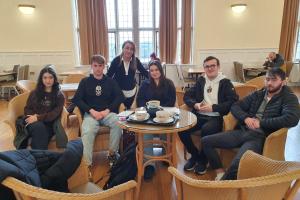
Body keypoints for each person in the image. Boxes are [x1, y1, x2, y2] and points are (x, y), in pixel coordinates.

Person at [202, 68, 300, 181]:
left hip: (260, 136)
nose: (269, 83)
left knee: (237, 164)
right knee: (206, 141)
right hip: (243, 131)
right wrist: (246, 118)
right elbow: (235, 106)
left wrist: (261, 123)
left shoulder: (289, 98)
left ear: (283, 82)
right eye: (267, 79)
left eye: (273, 80)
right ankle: (219, 172)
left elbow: (292, 119)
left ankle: (222, 188)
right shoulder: (258, 94)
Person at [179, 56, 238, 175]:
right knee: (181, 128)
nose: (210, 68)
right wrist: (195, 104)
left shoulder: (225, 82)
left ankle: (203, 160)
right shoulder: (201, 81)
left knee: (207, 129)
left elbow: (232, 102)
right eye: (207, 66)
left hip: (215, 116)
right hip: (199, 115)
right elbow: (187, 96)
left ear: (218, 67)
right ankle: (195, 155)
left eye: (213, 66)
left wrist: (213, 107)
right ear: (204, 68)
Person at [73, 55, 124, 167]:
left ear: (104, 66)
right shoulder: (85, 81)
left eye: (100, 66)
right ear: (91, 66)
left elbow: (120, 97)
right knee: (87, 130)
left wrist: (107, 110)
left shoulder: (110, 81)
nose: (98, 68)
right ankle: (87, 165)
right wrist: (91, 111)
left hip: (107, 114)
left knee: (118, 122)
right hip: (91, 115)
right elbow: (77, 99)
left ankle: (112, 154)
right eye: (95, 66)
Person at [136, 60, 176, 180]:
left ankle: (165, 156)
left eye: (156, 70)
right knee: (146, 133)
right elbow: (140, 100)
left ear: (161, 70)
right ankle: (149, 165)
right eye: (152, 70)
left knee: (166, 131)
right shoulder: (145, 84)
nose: (154, 72)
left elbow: (171, 100)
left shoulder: (169, 83)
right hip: (148, 116)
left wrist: (160, 109)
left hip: (164, 115)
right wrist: (149, 108)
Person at [23, 65, 66, 150]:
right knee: (39, 128)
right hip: (32, 122)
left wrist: (38, 117)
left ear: (54, 79)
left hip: (49, 124)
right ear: (41, 79)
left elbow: (54, 114)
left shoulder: (59, 96)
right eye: (45, 78)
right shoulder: (34, 93)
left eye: (50, 77)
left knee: (42, 133)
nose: (48, 80)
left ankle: (36, 158)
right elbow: (27, 109)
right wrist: (34, 118)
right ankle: (41, 159)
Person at [107, 40, 149, 109]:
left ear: (133, 51)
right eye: (127, 48)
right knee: (121, 115)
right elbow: (109, 75)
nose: (129, 51)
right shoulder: (116, 60)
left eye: (131, 49)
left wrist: (156, 78)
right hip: (119, 94)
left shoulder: (136, 61)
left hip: (132, 93)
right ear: (123, 49)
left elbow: (145, 72)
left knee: (131, 114)